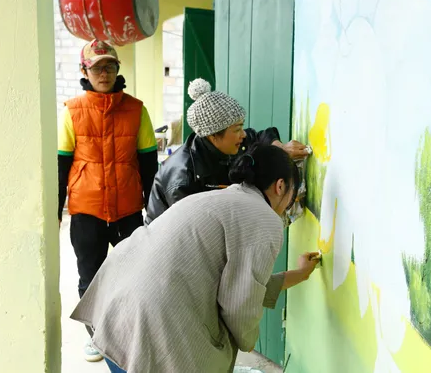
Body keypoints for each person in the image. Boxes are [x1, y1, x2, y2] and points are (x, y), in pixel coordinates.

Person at [71, 145, 320, 373]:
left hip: (116, 315)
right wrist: (246, 340)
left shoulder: (222, 197)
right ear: (280, 186)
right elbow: (240, 305)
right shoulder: (265, 219)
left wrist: (298, 274)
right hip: (150, 326)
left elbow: (240, 284)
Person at [57, 39, 159, 363]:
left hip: (128, 209)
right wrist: (55, 210)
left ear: (117, 70)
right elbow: (61, 165)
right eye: (98, 66)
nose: (104, 72)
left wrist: (153, 210)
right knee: (91, 277)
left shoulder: (136, 110)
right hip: (87, 211)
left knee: (133, 275)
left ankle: (129, 334)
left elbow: (149, 165)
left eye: (110, 66)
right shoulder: (71, 112)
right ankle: (99, 338)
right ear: (84, 71)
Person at [145, 78, 310, 224]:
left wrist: (280, 148)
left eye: (242, 126)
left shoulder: (232, 143)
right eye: (237, 129)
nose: (243, 134)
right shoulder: (184, 180)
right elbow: (193, 234)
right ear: (213, 135)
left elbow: (260, 137)